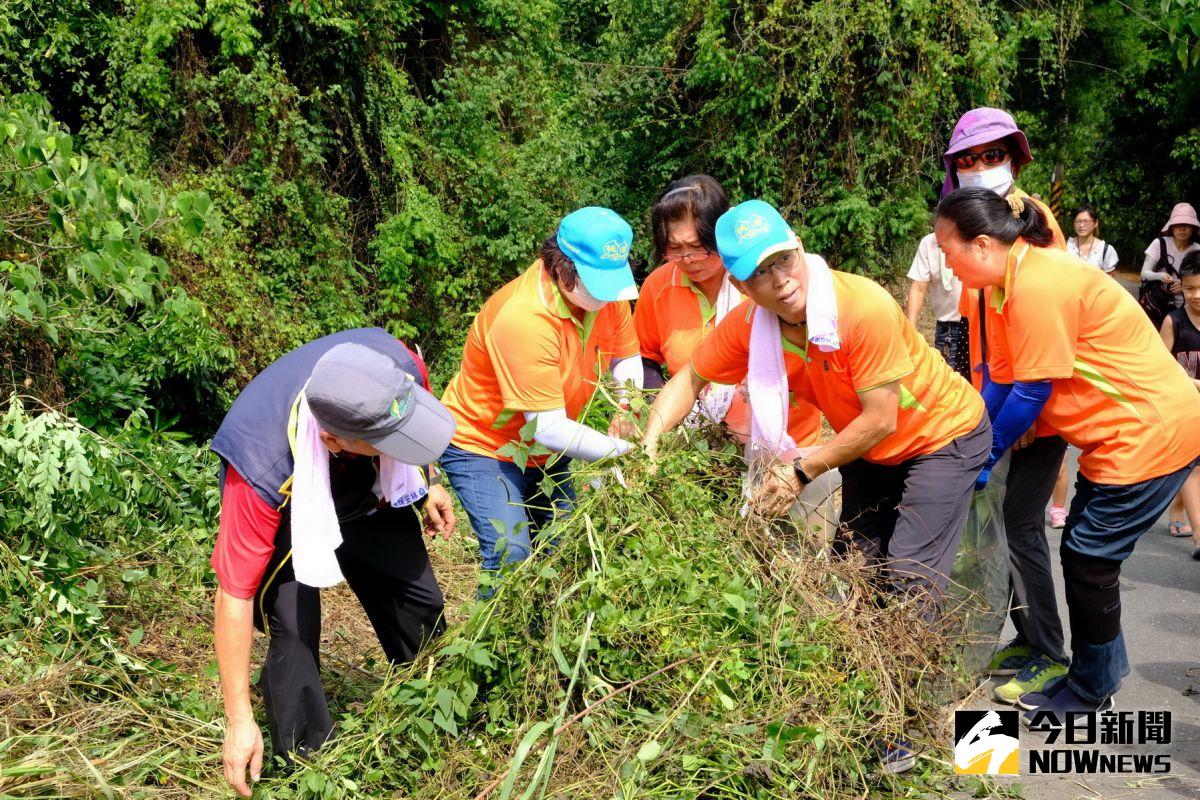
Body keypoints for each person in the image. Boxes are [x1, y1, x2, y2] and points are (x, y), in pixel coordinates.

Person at [934, 187, 1200, 722]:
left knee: (1088, 559)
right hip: (1116, 439)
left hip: (1148, 432)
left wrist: (984, 457)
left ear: (982, 244)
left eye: (947, 248)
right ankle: (1097, 674)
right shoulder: (1010, 287)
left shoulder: (1040, 283)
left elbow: (1032, 393)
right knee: (1083, 553)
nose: (943, 261)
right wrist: (965, 436)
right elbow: (1004, 383)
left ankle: (1092, 687)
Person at [210, 329, 458, 797]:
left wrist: (428, 480)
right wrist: (238, 720)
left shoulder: (391, 365)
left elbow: (413, 412)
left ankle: (434, 708)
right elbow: (234, 594)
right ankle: (307, 767)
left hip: (365, 483)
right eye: (392, 442)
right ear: (334, 440)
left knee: (419, 600)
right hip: (293, 505)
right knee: (294, 628)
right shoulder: (259, 468)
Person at [941, 107, 1070, 705]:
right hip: (996, 397)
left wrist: (1017, 419)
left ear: (1013, 157)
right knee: (1000, 529)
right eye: (968, 160)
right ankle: (1025, 635)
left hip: (1031, 407)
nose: (981, 168)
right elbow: (977, 333)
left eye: (991, 156)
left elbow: (1040, 335)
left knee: (1019, 525)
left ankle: (1049, 652)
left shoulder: (1034, 221)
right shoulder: (966, 221)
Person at [440, 207, 642, 581]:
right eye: (598, 283)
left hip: (547, 450)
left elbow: (628, 358)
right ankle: (500, 642)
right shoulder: (524, 317)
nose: (609, 295)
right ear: (563, 269)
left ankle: (546, 638)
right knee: (511, 555)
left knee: (565, 550)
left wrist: (626, 407)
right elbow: (547, 428)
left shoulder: (609, 295)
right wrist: (628, 454)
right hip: (485, 445)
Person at [635, 175, 821, 445]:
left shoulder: (763, 284)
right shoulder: (658, 287)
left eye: (699, 247)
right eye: (674, 249)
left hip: (787, 443)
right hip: (699, 446)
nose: (687, 259)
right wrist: (664, 409)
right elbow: (644, 358)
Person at [1159, 251, 1200, 556]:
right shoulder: (1173, 322)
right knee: (1193, 469)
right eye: (1189, 288)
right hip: (1185, 408)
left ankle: (1177, 512)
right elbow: (1159, 367)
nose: (1196, 295)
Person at [905, 232, 970, 382]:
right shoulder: (929, 243)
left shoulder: (972, 236)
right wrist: (910, 329)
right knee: (946, 381)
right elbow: (919, 287)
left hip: (977, 325)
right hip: (947, 327)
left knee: (979, 379)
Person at [1139, 202, 1200, 329]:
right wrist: (1159, 276)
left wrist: (1183, 286)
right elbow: (1144, 273)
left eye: (1186, 225)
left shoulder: (1197, 249)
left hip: (1185, 308)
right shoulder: (1159, 244)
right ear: (1171, 227)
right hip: (1156, 305)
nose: (1181, 228)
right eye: (1178, 224)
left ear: (1193, 227)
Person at [1066, 206, 1119, 274]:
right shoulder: (1066, 246)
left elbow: (1109, 281)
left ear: (1096, 223)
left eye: (1086, 221)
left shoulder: (1105, 250)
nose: (1081, 225)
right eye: (1078, 221)